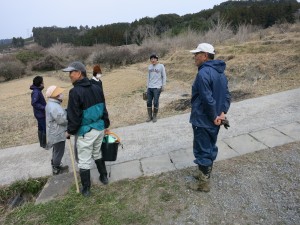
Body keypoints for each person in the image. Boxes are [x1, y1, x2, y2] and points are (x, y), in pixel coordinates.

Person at [63, 61, 110, 197]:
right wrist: (106, 125)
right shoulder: (96, 87)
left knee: (84, 159)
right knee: (97, 153)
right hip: (100, 127)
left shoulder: (75, 92)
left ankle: (86, 189)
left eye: (71, 73)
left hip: (86, 131)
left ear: (79, 73)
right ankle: (104, 177)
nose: (69, 75)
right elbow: (104, 108)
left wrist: (70, 131)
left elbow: (74, 116)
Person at [189, 43, 231, 192]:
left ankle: (203, 183)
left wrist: (214, 115)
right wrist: (222, 113)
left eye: (197, 54)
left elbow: (207, 99)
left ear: (205, 55)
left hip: (203, 119)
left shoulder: (203, 73)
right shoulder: (220, 72)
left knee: (202, 149)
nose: (194, 57)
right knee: (209, 146)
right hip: (215, 119)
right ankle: (202, 172)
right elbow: (227, 95)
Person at [90, 64, 109, 186]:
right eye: (98, 72)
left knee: (97, 151)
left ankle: (103, 175)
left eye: (100, 72)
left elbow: (102, 100)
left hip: (99, 121)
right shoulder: (91, 84)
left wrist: (106, 123)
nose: (99, 74)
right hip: (91, 125)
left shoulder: (99, 82)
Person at [45, 85, 69, 175]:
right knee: (59, 151)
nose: (61, 94)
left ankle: (55, 165)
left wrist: (65, 111)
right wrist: (69, 118)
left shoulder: (52, 104)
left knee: (56, 150)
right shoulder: (54, 106)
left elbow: (59, 115)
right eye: (59, 93)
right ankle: (56, 168)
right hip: (57, 133)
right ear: (54, 95)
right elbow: (62, 120)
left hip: (54, 132)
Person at [146, 53, 167, 123]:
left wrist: (163, 85)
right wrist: (147, 87)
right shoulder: (149, 67)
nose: (153, 60)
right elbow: (148, 77)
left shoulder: (161, 66)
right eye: (151, 59)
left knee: (155, 102)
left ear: (157, 59)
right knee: (148, 102)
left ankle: (154, 116)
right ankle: (149, 116)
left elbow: (164, 76)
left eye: (154, 59)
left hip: (157, 87)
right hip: (150, 87)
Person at [30, 76, 47, 148]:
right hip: (40, 114)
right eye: (42, 82)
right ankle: (44, 144)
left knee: (40, 128)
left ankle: (42, 144)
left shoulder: (37, 91)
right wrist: (44, 107)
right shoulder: (36, 92)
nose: (43, 84)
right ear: (40, 84)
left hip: (39, 114)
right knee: (45, 128)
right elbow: (34, 103)